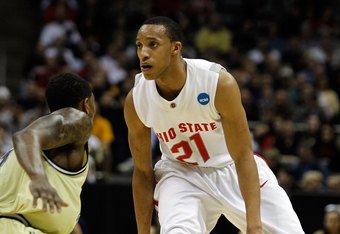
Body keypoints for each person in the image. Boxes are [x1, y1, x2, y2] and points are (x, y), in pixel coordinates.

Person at [124, 16, 305, 234]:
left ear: (175, 48)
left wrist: (254, 226)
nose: (143, 53)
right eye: (139, 45)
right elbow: (143, 173)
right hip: (182, 174)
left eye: (153, 44)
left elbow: (243, 155)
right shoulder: (136, 100)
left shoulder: (217, 83)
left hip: (231, 167)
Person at [0, 73, 95, 234]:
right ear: (87, 104)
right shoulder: (80, 120)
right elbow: (25, 137)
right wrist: (38, 179)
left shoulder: (52, 141)